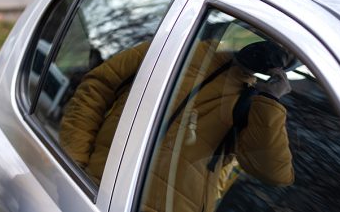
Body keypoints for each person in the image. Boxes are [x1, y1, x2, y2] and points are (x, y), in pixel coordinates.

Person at [60, 40, 294, 212]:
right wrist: (74, 165)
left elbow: (274, 173)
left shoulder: (254, 104)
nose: (272, 55)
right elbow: (97, 88)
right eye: (273, 43)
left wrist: (271, 101)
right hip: (95, 195)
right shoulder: (177, 46)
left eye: (285, 57)